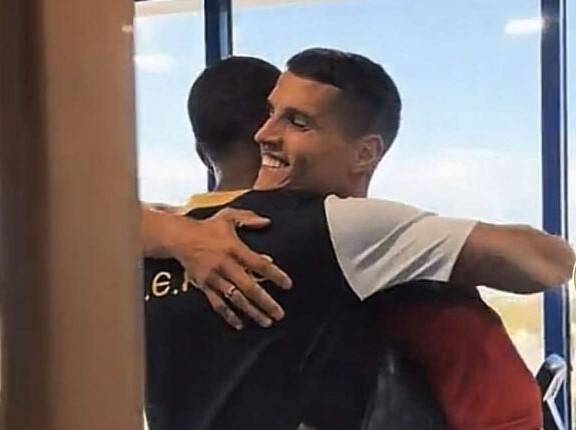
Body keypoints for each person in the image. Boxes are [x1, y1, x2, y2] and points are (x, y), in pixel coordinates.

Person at [143, 52, 575, 430]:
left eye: (296, 121)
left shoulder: (147, 243)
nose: (265, 134)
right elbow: (547, 262)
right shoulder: (338, 228)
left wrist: (175, 232)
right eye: (271, 113)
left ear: (201, 150)